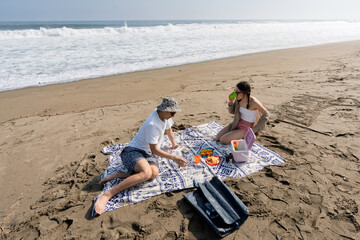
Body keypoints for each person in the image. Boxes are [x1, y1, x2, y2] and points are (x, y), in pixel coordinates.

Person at [94, 97, 188, 215]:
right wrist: (174, 158)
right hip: (132, 151)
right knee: (146, 173)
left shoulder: (164, 116)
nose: (173, 115)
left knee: (154, 173)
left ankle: (120, 174)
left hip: (146, 152)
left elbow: (168, 129)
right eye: (172, 112)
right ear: (164, 110)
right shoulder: (152, 124)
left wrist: (173, 144)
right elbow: (154, 150)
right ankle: (107, 195)